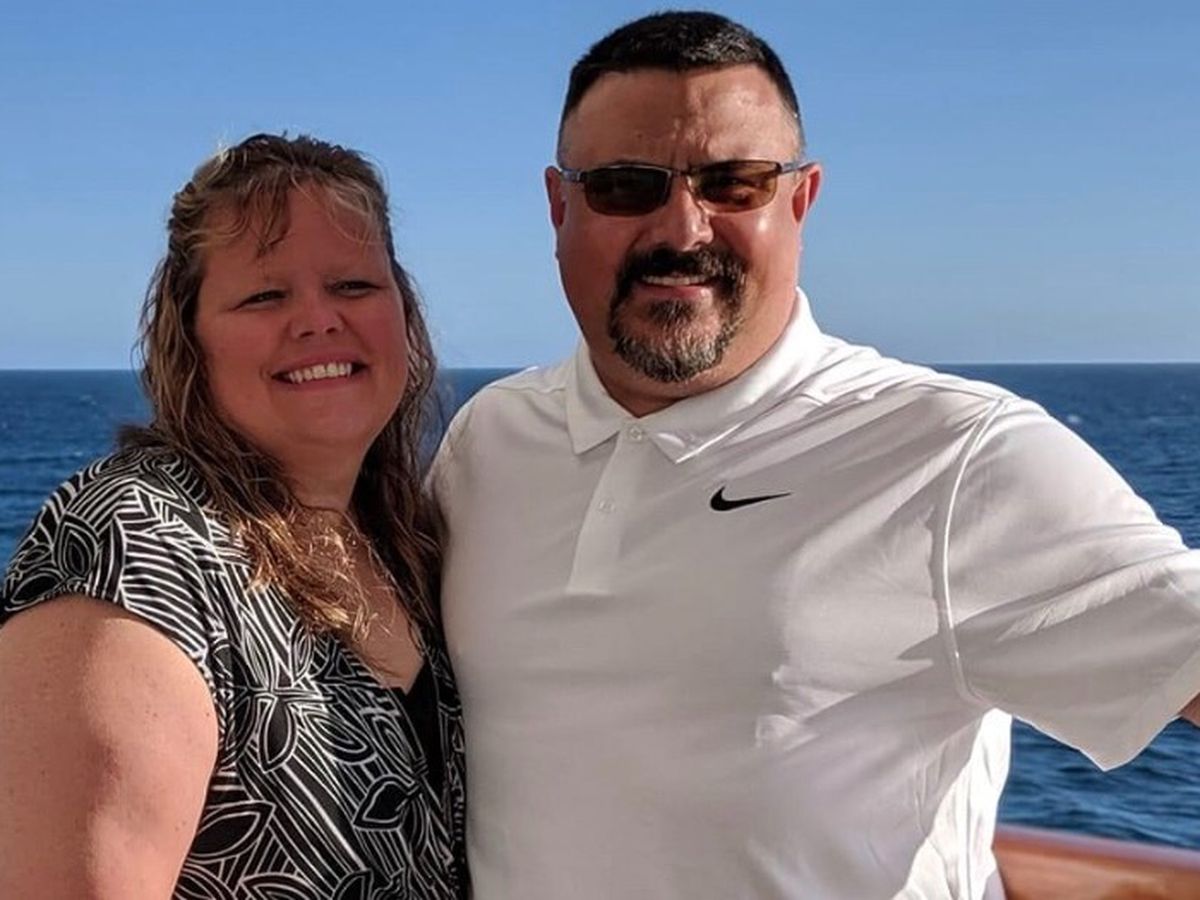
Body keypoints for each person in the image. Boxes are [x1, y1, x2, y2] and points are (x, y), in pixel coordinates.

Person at [430, 11, 1200, 900]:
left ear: (799, 200)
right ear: (559, 206)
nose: (682, 228)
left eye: (735, 182)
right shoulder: (489, 438)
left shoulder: (954, 456)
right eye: (626, 186)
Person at [0, 134, 466, 898]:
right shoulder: (133, 544)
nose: (318, 320)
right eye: (264, 296)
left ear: (404, 314)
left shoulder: (405, 537)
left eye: (353, 285)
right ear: (191, 338)